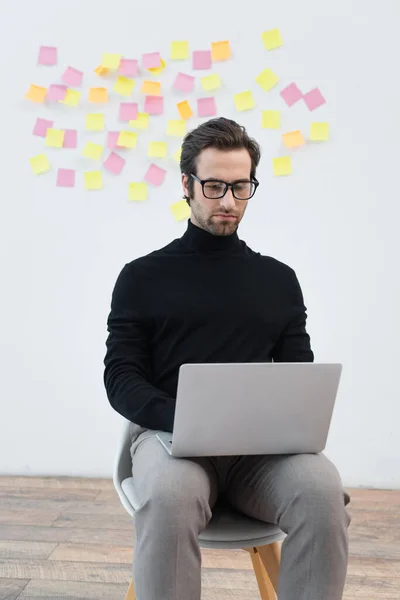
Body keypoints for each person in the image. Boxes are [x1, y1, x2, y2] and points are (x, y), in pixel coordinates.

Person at [104, 117, 351, 600]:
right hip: (169, 442)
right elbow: (121, 377)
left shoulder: (278, 280)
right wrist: (184, 419)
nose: (228, 201)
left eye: (241, 187)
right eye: (215, 185)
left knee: (322, 494)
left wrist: (292, 419)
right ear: (186, 185)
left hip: (259, 455)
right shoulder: (142, 276)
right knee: (171, 497)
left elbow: (299, 374)